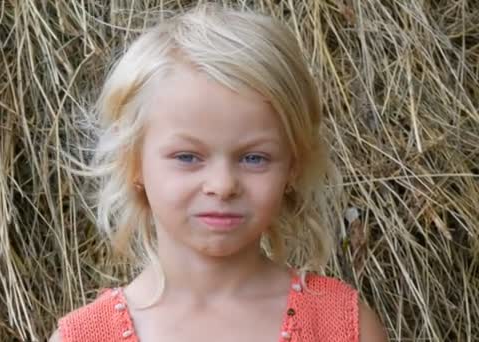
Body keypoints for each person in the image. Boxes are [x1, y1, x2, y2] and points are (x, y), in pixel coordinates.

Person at [50, 3, 387, 341]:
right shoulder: (84, 336)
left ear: (293, 165)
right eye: (187, 157)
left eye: (254, 158)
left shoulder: (343, 326)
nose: (223, 185)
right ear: (133, 163)